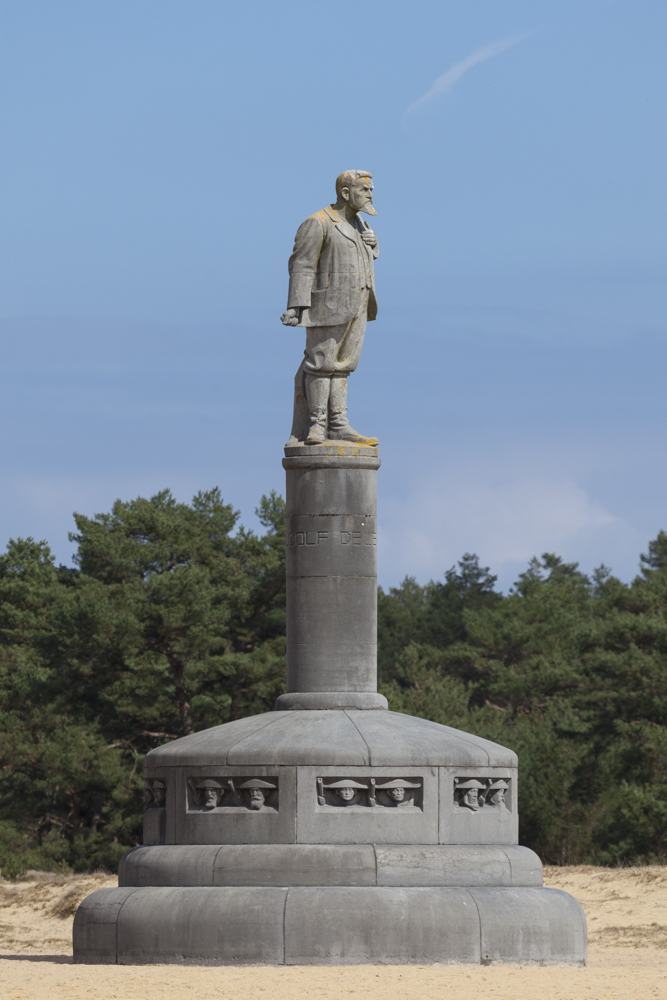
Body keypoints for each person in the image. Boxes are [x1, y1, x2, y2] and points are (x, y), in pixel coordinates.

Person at [281, 170, 379, 447]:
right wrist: (296, 306)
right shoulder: (319, 222)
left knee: (343, 366)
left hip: (359, 304)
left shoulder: (361, 225)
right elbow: (302, 265)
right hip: (327, 306)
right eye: (365, 190)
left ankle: (339, 424)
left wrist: (374, 245)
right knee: (321, 364)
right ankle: (316, 424)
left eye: (371, 190)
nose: (370, 195)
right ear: (346, 193)